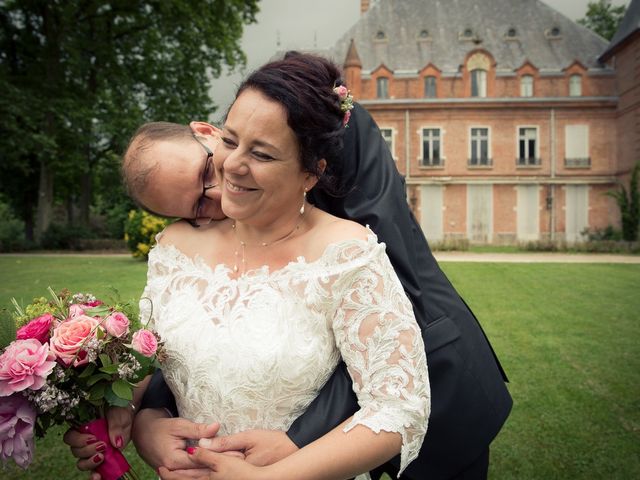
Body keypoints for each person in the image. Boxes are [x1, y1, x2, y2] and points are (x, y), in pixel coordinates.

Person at [66, 49, 512, 479]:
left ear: (205, 131)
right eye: (196, 210)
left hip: (437, 371)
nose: (219, 195)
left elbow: (393, 298)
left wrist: (298, 440)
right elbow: (200, 341)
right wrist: (143, 413)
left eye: (206, 175)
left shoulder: (329, 127)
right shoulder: (191, 242)